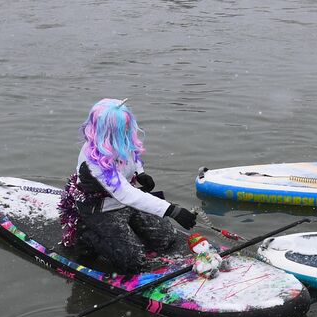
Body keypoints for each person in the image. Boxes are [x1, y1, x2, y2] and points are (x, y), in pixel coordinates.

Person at [57, 98, 221, 276]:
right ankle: (86, 237)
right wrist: (172, 210)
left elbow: (132, 156)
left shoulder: (121, 140)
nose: (128, 130)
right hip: (99, 210)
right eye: (123, 127)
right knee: (132, 261)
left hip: (125, 205)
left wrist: (140, 172)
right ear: (109, 130)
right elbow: (125, 193)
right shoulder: (93, 160)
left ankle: (125, 235)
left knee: (166, 238)